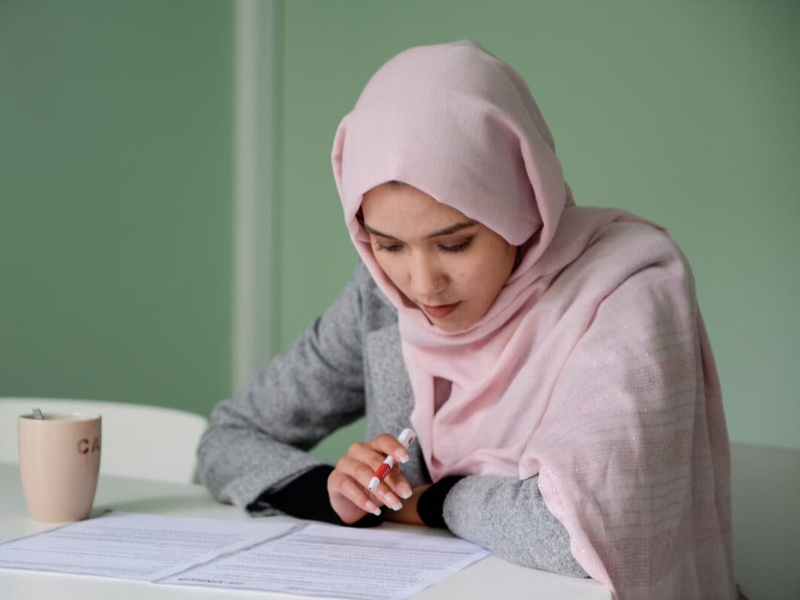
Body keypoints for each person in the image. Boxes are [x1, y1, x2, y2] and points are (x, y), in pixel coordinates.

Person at [197, 41, 737, 599]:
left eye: (454, 244)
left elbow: (577, 531)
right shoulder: (383, 295)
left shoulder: (626, 286)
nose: (422, 284)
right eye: (387, 244)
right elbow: (228, 439)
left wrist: (427, 499)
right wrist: (336, 492)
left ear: (522, 205)